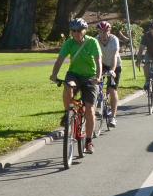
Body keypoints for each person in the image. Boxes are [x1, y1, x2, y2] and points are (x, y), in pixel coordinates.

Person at [49, 18, 103, 153]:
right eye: (74, 31)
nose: (76, 33)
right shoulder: (69, 43)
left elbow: (98, 60)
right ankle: (68, 114)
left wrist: (99, 76)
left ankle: (89, 142)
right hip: (74, 74)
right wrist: (54, 75)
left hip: (90, 77)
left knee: (90, 110)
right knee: (68, 87)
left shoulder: (92, 42)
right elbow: (60, 59)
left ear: (85, 31)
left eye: (79, 30)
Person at [96, 21, 122, 127]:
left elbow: (115, 55)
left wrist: (112, 70)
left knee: (112, 90)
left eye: (105, 31)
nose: (103, 34)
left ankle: (113, 117)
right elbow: (95, 57)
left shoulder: (114, 40)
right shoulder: (96, 40)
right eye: (101, 32)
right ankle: (98, 106)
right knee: (96, 84)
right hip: (102, 64)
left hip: (115, 65)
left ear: (109, 31)